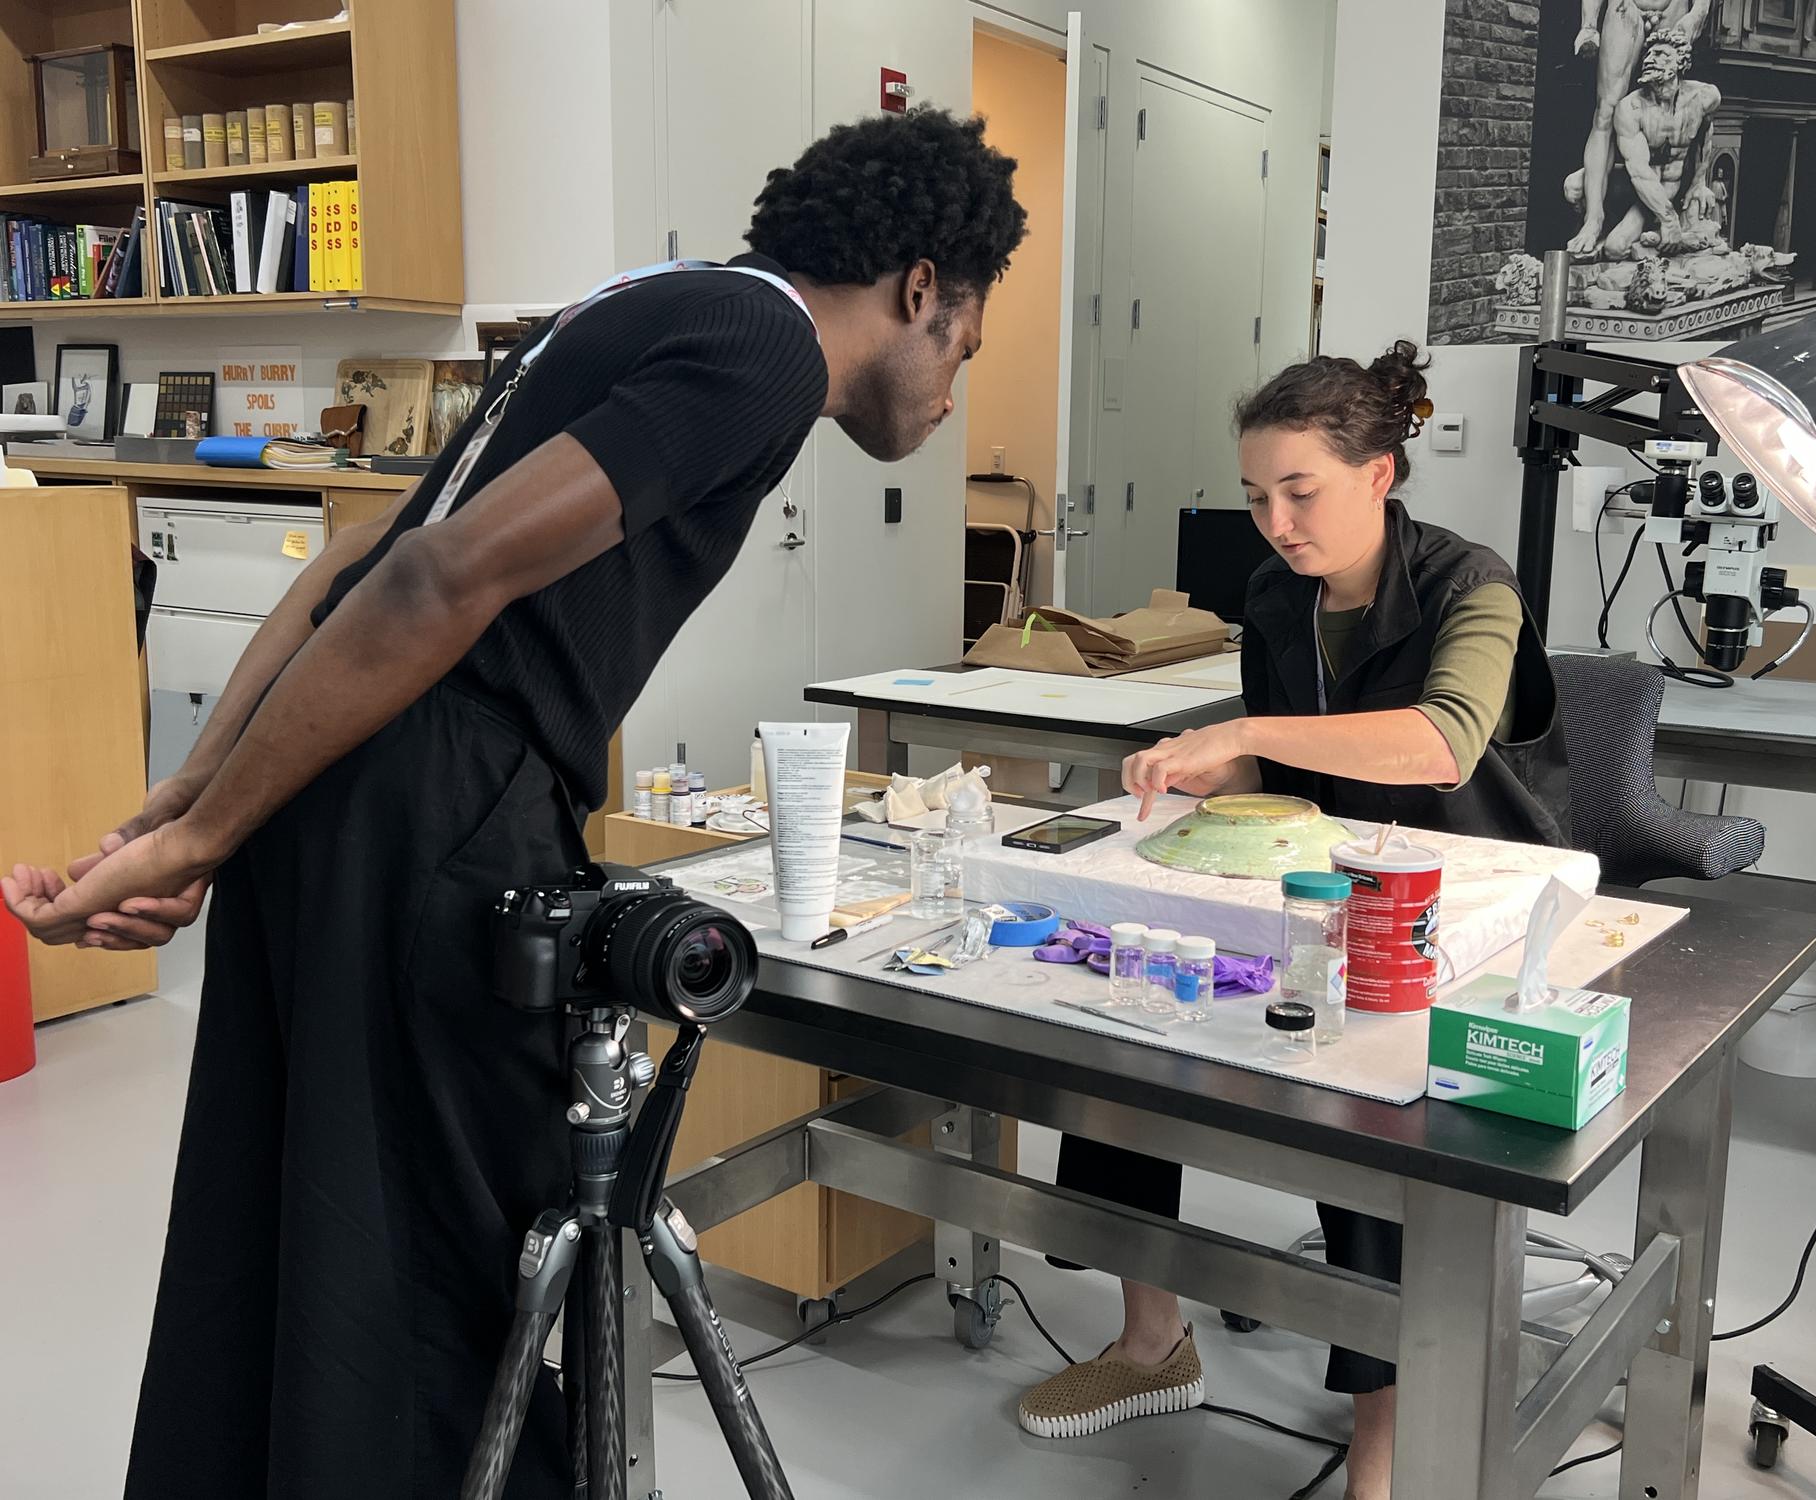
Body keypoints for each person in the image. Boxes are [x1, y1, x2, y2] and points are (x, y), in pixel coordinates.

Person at [4, 107, 1024, 1500]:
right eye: (965, 344)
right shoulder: (770, 352)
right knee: (428, 1264)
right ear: (921, 289)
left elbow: (353, 563)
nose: (953, 387)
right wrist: (194, 829)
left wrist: (205, 797)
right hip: (433, 804)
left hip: (341, 775)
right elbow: (436, 581)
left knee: (303, 1216)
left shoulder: (636, 304)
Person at [1017, 343, 1567, 1500]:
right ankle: (1148, 1341)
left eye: (1299, 491)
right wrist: (1194, 774)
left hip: (1461, 901)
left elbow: (1437, 743)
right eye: (1254, 496)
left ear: (1380, 473)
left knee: (1362, 1109)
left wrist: (1243, 738)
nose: (1272, 521)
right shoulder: (1278, 597)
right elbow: (1290, 781)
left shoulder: (1473, 585)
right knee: (1137, 1017)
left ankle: (1382, 1439)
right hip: (1320, 881)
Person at [1567, 0, 1714, 258]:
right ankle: (1594, 218)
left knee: (1669, 98)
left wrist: (1698, 12)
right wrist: (1589, 24)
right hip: (1627, 7)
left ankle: (1658, 215)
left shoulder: (1706, 97)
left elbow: (1705, 124)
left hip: (1674, 8)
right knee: (1606, 111)